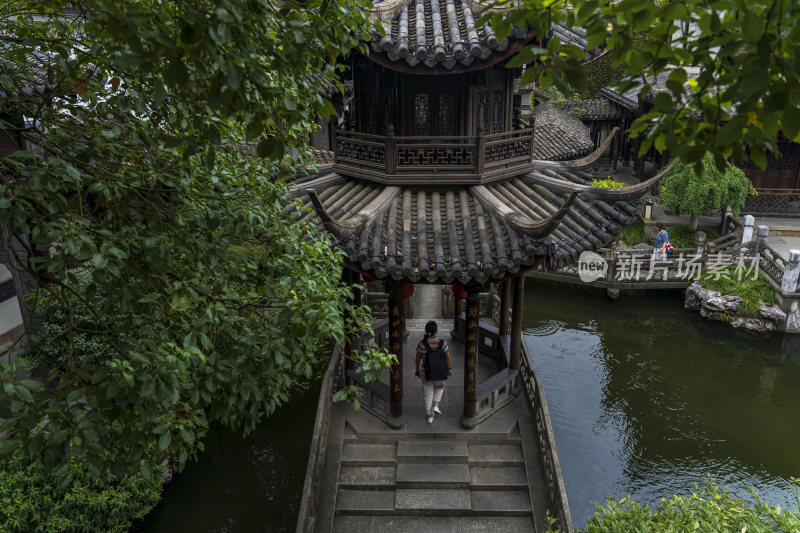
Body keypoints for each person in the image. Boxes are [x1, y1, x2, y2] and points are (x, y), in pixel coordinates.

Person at [415, 320, 452, 424]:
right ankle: (436, 406)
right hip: (440, 372)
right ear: (436, 331)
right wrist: (449, 369)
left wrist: (417, 370)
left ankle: (430, 416)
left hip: (425, 373)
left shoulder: (422, 343)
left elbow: (418, 358)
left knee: (427, 395)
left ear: (426, 331)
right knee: (440, 386)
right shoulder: (443, 343)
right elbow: (448, 358)